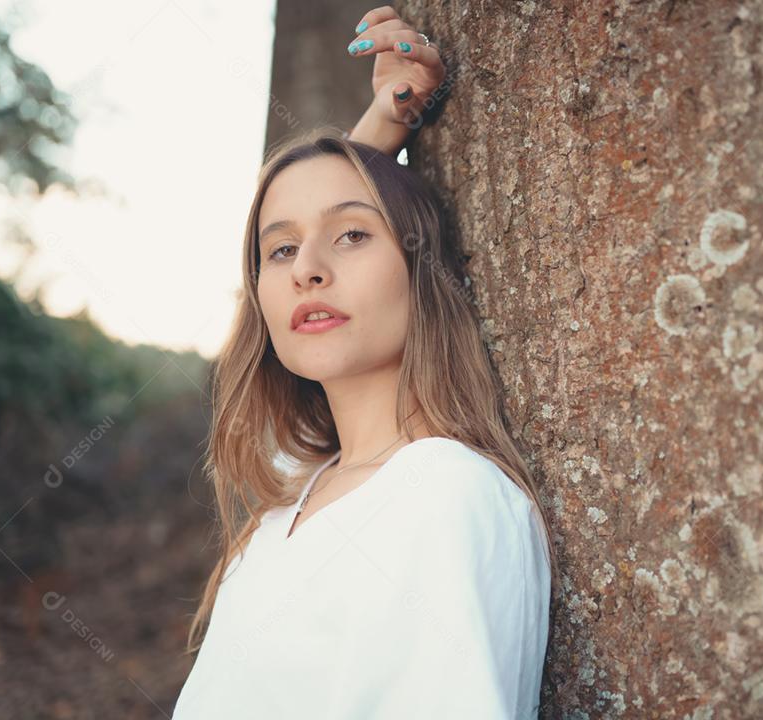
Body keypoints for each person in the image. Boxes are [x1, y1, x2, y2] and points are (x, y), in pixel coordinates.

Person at [171, 7, 557, 718]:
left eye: (351, 235)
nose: (306, 271)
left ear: (420, 269)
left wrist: (369, 167)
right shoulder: (296, 490)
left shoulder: (448, 501)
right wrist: (378, 135)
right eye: (280, 250)